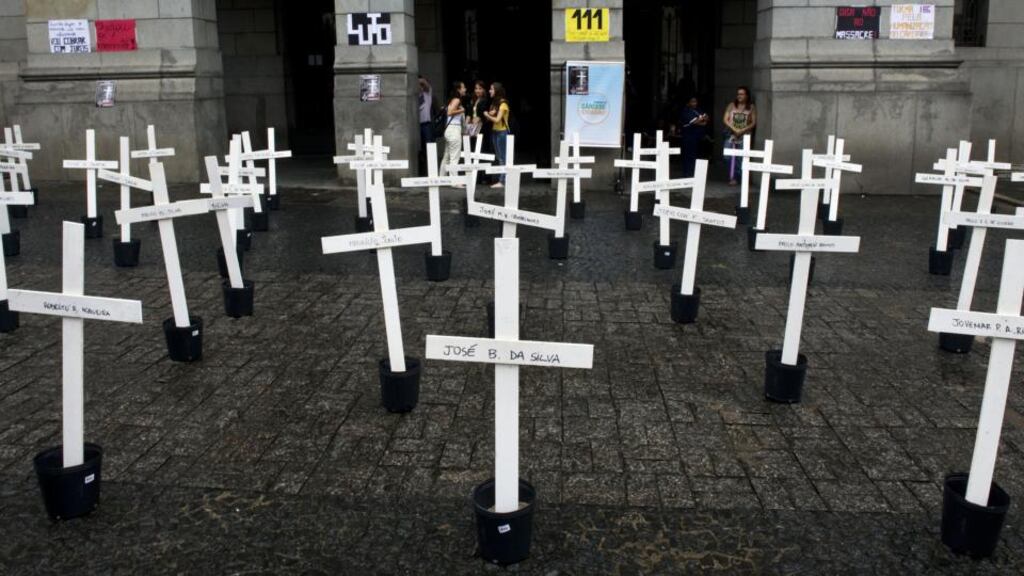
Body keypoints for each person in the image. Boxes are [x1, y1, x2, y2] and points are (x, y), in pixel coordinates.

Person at [722, 86, 757, 185]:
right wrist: (734, 129)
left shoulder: (751, 107)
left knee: (740, 158)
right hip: (731, 134)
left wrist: (742, 130)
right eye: (738, 94)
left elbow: (753, 122)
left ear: (747, 95)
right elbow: (725, 119)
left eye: (742, 94)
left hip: (744, 135)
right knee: (727, 156)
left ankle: (735, 177)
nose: (739, 96)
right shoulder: (731, 105)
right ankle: (733, 175)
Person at [439, 81, 467, 185]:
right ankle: (454, 181)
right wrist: (462, 110)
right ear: (458, 89)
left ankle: (441, 179)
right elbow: (450, 112)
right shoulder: (457, 100)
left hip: (449, 130)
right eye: (463, 87)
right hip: (454, 130)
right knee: (455, 157)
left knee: (447, 156)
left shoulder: (453, 100)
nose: (465, 89)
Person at [483, 82, 510, 188]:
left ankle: (502, 181)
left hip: (502, 132)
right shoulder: (495, 104)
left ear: (497, 91)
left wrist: (486, 114)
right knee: (499, 157)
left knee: (503, 158)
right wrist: (490, 114)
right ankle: (502, 180)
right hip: (495, 131)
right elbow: (491, 118)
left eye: (491, 89)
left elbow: (497, 119)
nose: (489, 91)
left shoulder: (503, 104)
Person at [678, 96, 709, 178]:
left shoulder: (698, 110)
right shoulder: (686, 111)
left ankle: (696, 173)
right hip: (688, 136)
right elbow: (694, 122)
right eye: (692, 101)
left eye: (695, 101)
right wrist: (700, 120)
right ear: (688, 103)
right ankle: (687, 173)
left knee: (697, 155)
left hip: (698, 136)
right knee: (688, 155)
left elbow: (706, 119)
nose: (694, 103)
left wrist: (701, 120)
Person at [417, 76, 434, 158]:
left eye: (421, 85)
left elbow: (426, 85)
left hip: (426, 124)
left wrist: (419, 81)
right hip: (416, 125)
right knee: (418, 147)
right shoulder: (415, 96)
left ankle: (431, 163)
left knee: (429, 145)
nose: (420, 86)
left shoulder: (427, 93)